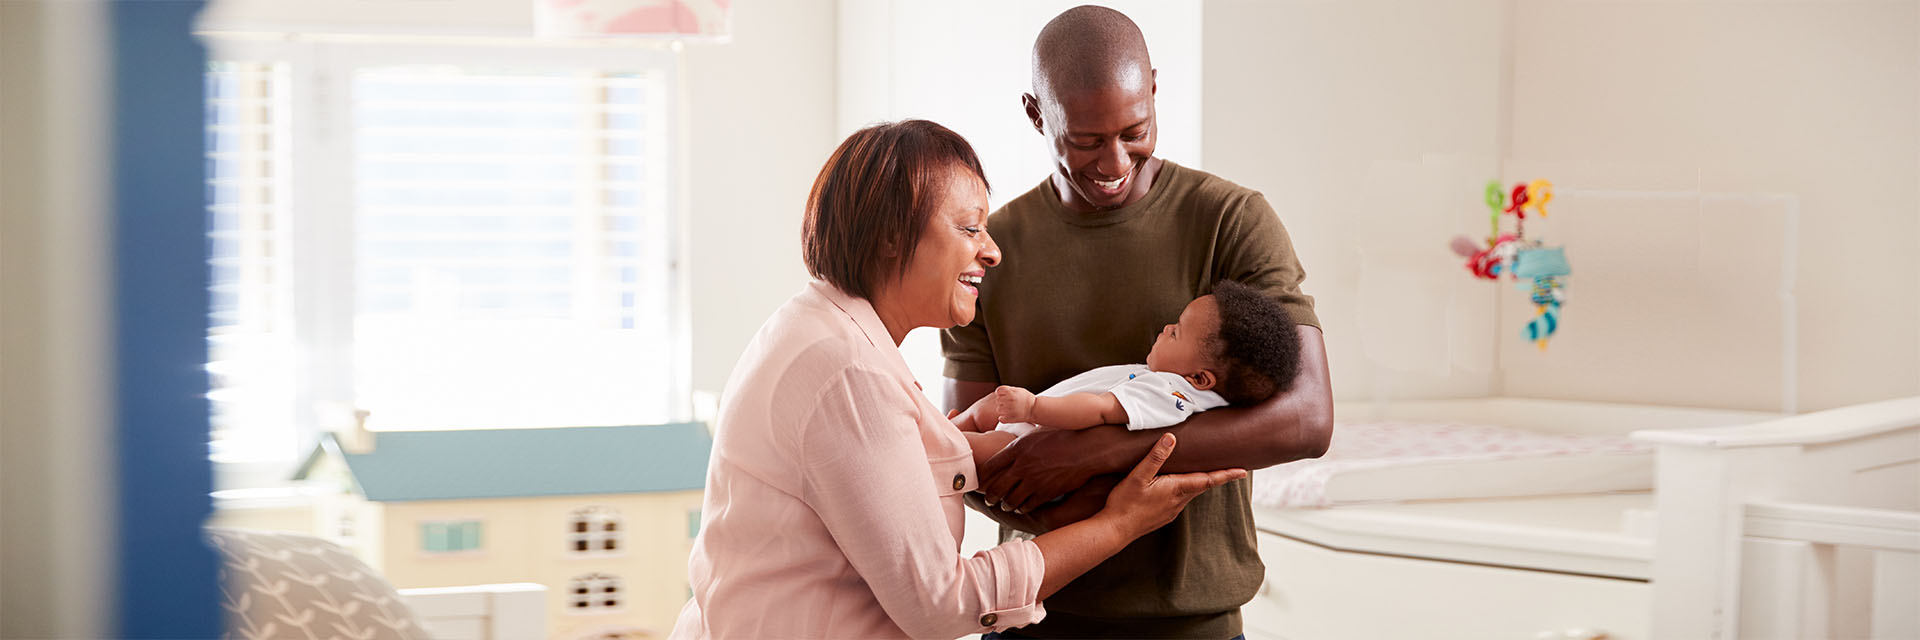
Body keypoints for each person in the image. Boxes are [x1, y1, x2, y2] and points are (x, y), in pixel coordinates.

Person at [671, 119, 1249, 640]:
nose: (992, 252)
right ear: (891, 236)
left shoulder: (825, 331)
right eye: (970, 229)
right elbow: (942, 604)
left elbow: (875, 471)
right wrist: (1120, 524)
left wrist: (966, 442)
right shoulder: (848, 370)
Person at [940, 6, 1335, 639]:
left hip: (1192, 621)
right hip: (1031, 613)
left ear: (1153, 88)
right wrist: (1089, 513)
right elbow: (960, 450)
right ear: (1036, 114)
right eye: (1085, 141)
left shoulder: (1231, 220)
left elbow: (1307, 418)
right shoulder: (991, 249)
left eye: (1135, 130)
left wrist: (1100, 448)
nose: (1114, 161)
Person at [953, 280, 1303, 473]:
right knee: (979, 414)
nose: (1166, 328)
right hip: (1030, 420)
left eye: (1177, 332)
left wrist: (1032, 408)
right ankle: (946, 429)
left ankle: (937, 437)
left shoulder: (1171, 395)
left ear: (1199, 379)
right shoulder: (1170, 380)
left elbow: (1100, 410)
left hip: (1029, 437)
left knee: (973, 449)